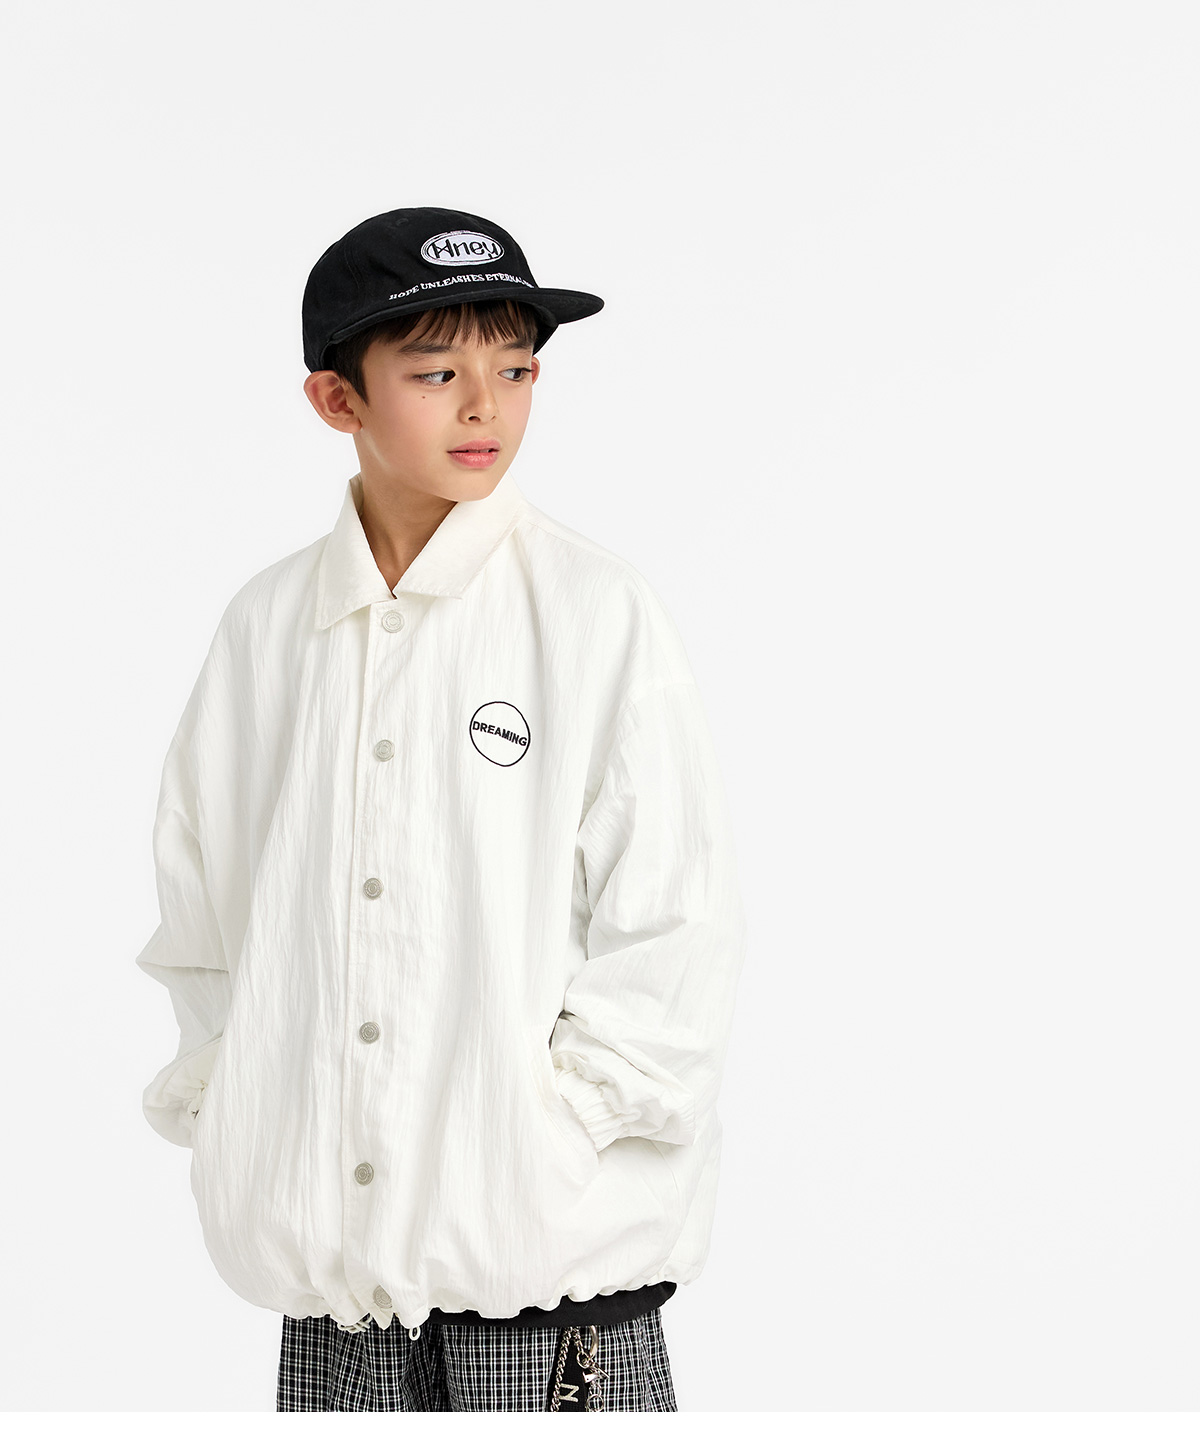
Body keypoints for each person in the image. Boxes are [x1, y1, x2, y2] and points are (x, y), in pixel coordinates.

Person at [135, 206, 747, 1413]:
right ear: (337, 400)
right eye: (436, 373)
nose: (486, 407)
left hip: (548, 1291)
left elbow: (675, 919)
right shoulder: (266, 630)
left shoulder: (594, 612)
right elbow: (204, 912)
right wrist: (247, 1109)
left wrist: (544, 1137)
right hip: (335, 1300)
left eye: (516, 370)